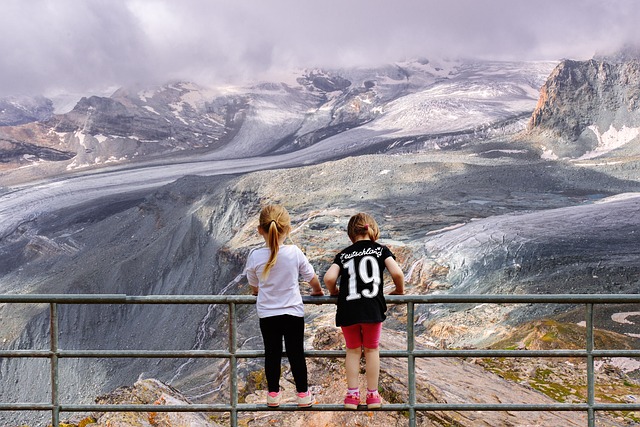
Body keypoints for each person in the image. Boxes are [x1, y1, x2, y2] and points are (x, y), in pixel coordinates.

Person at [244, 204, 324, 408]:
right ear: (288, 229)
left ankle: (273, 394)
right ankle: (303, 395)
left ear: (260, 230)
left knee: (272, 353)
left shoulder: (255, 256)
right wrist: (317, 291)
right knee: (296, 353)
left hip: (268, 314)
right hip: (293, 312)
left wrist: (257, 292)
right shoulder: (294, 252)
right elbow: (311, 277)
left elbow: (254, 286)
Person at [324, 212, 405, 410]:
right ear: (372, 230)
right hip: (372, 307)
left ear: (351, 233)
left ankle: (352, 395)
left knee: (352, 350)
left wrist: (335, 292)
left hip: (348, 308)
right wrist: (399, 291)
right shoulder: (380, 250)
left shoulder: (343, 254)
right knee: (371, 349)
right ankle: (373, 395)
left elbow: (328, 278)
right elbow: (397, 273)